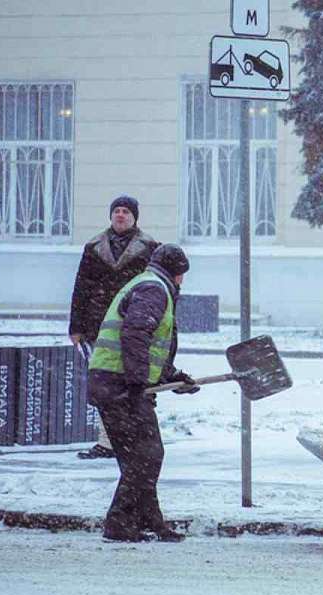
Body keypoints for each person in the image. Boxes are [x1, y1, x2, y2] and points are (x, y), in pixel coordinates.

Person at [87, 243, 199, 543]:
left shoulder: (147, 284)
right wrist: (138, 385)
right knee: (147, 456)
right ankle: (119, 523)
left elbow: (147, 347)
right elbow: (135, 334)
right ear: (177, 273)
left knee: (139, 459)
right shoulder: (154, 289)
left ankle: (149, 522)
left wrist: (172, 377)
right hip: (119, 385)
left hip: (114, 382)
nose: (182, 282)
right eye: (182, 275)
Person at [69, 196, 159, 459]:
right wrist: (76, 325)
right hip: (100, 326)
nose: (120, 215)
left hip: (136, 324)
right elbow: (81, 288)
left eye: (126, 212)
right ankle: (108, 441)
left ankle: (134, 438)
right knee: (105, 385)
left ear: (134, 217)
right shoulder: (94, 247)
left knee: (136, 381)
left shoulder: (150, 247)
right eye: (116, 211)